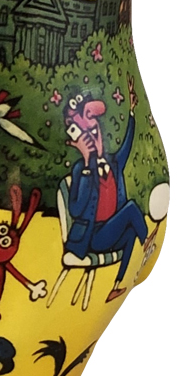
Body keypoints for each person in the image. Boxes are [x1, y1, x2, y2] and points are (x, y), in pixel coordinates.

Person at [62, 79, 149, 301]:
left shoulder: (113, 162)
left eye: (95, 131)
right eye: (86, 136)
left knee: (129, 233)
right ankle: (147, 241)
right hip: (91, 237)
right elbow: (75, 209)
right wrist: (87, 166)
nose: (93, 139)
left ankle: (117, 285)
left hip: (108, 232)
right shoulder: (81, 170)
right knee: (131, 209)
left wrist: (132, 111)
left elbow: (128, 144)